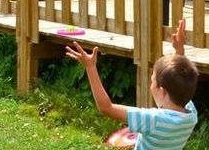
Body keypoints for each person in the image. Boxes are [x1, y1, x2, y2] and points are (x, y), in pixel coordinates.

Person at [66, 18, 198, 150]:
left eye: (152, 80)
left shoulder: (152, 120)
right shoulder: (190, 115)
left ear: (162, 91)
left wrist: (90, 67)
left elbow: (106, 108)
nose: (151, 83)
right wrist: (179, 51)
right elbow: (180, 81)